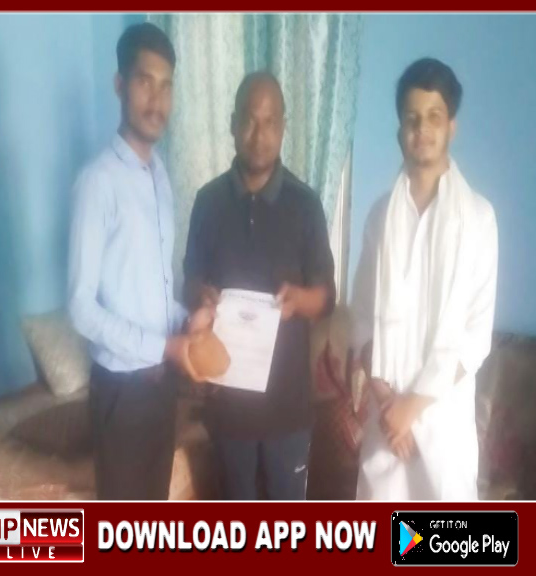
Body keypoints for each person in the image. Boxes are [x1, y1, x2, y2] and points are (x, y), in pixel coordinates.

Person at [68, 23, 212, 501]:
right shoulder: (98, 182)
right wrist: (165, 346)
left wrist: (187, 320)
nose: (157, 100)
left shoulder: (159, 177)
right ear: (120, 85)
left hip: (161, 389)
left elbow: (151, 290)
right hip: (121, 395)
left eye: (166, 85)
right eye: (145, 82)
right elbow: (80, 308)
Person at [183, 71, 336, 500]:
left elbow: (327, 298)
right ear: (233, 124)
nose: (259, 134)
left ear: (284, 127)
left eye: (270, 122)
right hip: (228, 403)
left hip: (288, 407)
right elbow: (188, 280)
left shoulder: (306, 205)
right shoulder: (208, 202)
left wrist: (300, 300)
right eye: (250, 121)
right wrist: (201, 296)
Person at [350, 58, 498, 500]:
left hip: (442, 424)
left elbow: (475, 338)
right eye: (412, 118)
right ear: (400, 131)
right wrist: (386, 404)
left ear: (451, 126)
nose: (422, 129)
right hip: (387, 424)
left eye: (434, 116)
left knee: (439, 537)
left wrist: (411, 408)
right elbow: (362, 319)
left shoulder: (478, 218)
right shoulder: (380, 216)